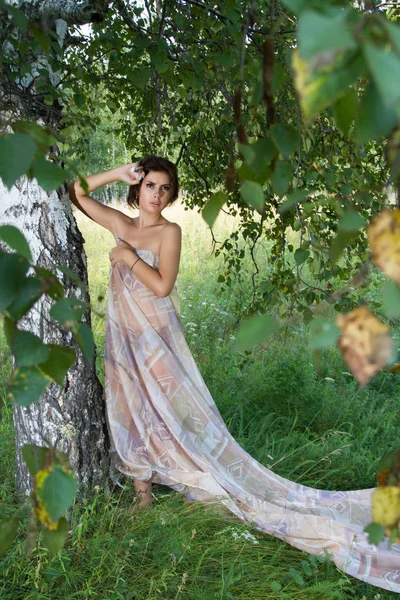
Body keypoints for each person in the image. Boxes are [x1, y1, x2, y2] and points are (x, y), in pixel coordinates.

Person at [69, 156, 400, 593]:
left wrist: (127, 258)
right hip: (123, 333)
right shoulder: (121, 222)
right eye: (150, 185)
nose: (157, 194)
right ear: (138, 188)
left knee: (173, 402)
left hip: (157, 333)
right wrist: (115, 173)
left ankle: (199, 464)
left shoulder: (169, 231)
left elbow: (163, 284)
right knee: (128, 400)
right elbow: (75, 191)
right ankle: (142, 493)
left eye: (165, 188)